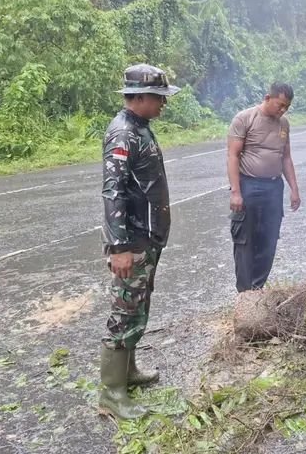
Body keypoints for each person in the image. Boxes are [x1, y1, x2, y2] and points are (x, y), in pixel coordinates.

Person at [98, 63, 179, 420]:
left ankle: (128, 373)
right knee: (123, 313)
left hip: (147, 237)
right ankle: (111, 394)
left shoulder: (140, 128)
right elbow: (113, 192)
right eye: (159, 98)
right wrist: (119, 247)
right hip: (131, 239)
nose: (163, 105)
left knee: (138, 308)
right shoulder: (122, 134)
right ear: (140, 97)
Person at [227, 83, 301, 292]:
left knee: (268, 239)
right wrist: (236, 192)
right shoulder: (245, 118)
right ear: (267, 97)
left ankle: (257, 288)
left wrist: (294, 189)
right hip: (248, 185)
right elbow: (232, 155)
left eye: (286, 107)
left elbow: (286, 157)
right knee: (244, 241)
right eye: (280, 105)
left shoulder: (283, 124)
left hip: (273, 188)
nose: (282, 110)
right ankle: (245, 293)